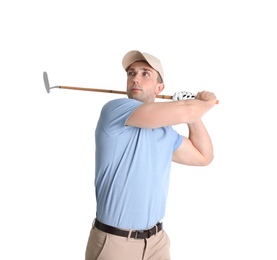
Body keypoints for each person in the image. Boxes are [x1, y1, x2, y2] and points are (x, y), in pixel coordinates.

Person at [85, 50, 217, 260]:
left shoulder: (164, 131)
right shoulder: (115, 110)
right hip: (116, 243)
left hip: (156, 242)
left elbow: (203, 156)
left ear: (160, 87)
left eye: (145, 73)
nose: (135, 78)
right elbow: (187, 110)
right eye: (131, 73)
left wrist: (194, 115)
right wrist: (204, 103)